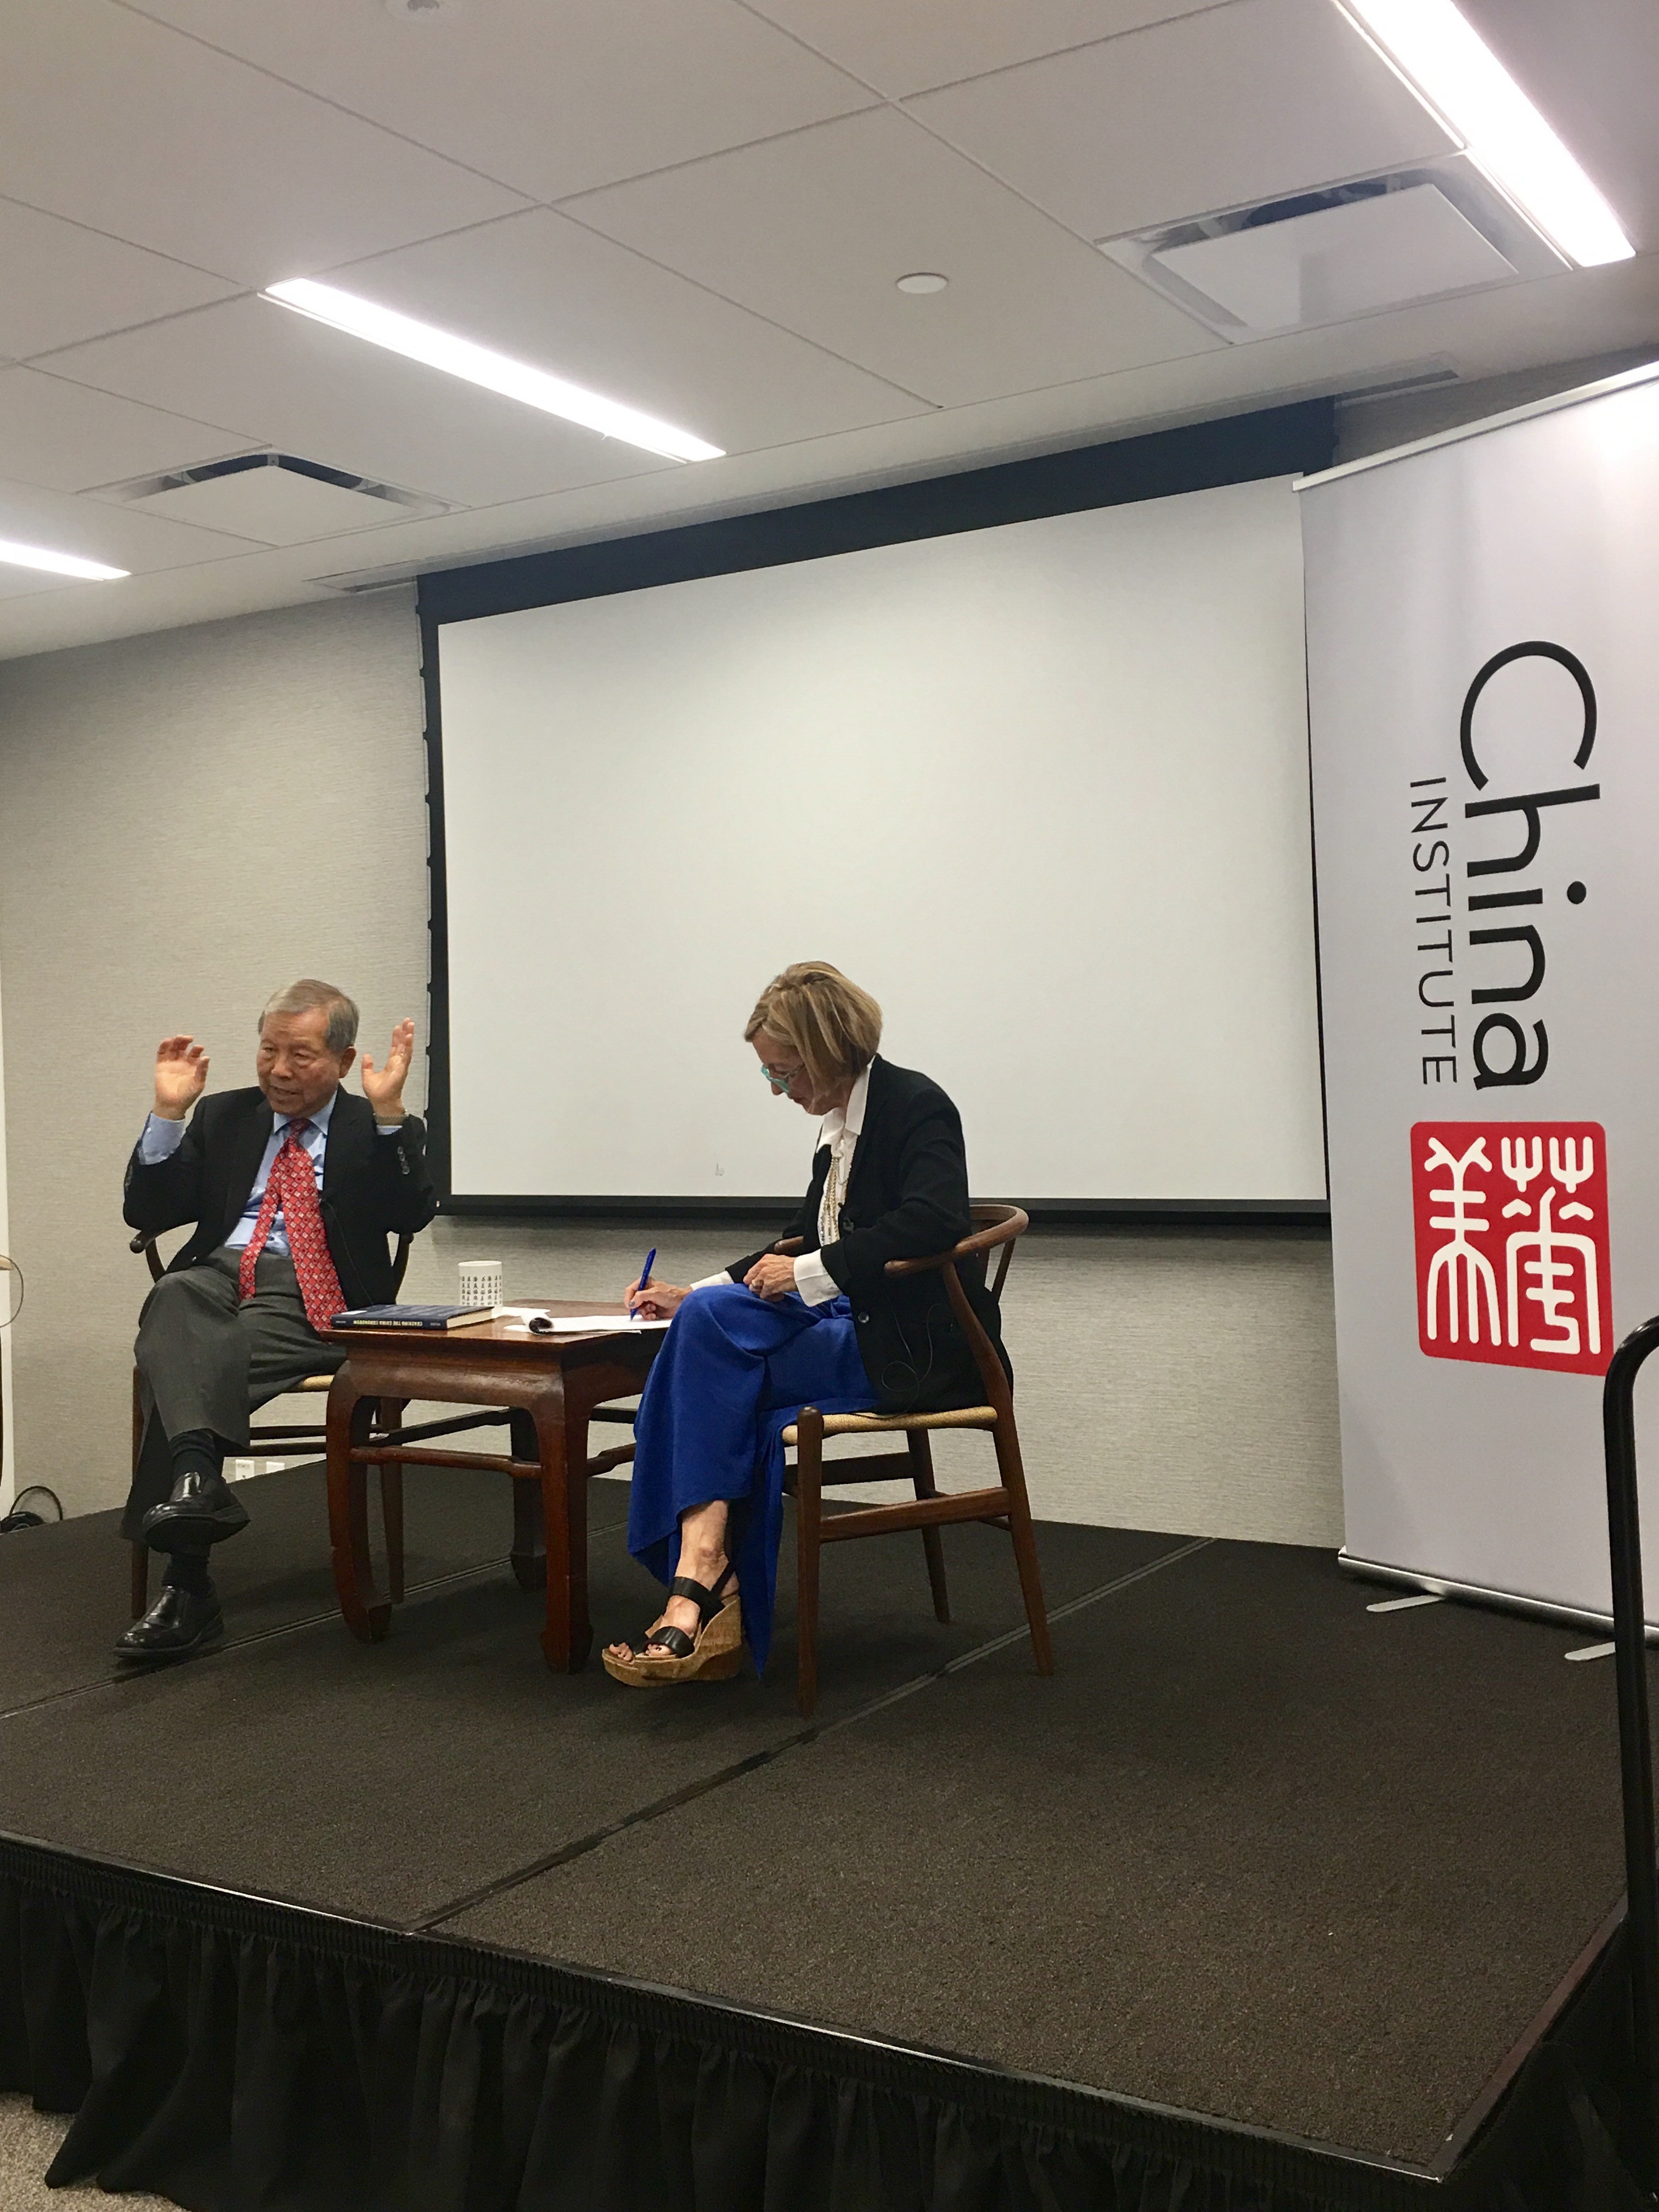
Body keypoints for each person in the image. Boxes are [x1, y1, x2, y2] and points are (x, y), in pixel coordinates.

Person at [603, 962, 1008, 1689]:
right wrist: (687, 1292)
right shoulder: (835, 1131)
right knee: (706, 1324)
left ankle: (701, 1578)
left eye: (783, 1074)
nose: (777, 1091)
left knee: (712, 1354)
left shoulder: (917, 1105)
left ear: (826, 1055)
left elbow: (934, 1219)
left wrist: (808, 1277)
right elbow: (795, 1239)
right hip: (848, 1327)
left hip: (910, 1348)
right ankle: (704, 1576)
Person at [116, 979, 437, 1662]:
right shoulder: (224, 1116)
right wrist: (168, 1116)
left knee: (181, 1365)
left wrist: (389, 1120)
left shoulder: (369, 1122)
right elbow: (148, 1214)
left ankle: (187, 1583)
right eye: (269, 1051)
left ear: (345, 1062)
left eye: (302, 1055)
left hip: (314, 1297)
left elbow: (409, 1212)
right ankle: (200, 1486)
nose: (281, 1071)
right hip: (215, 1279)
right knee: (175, 1297)